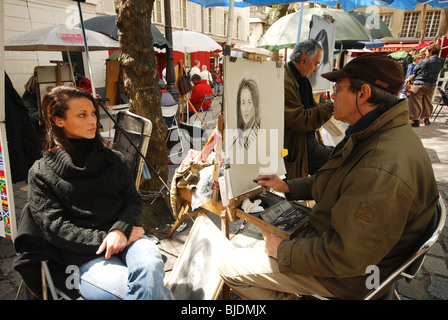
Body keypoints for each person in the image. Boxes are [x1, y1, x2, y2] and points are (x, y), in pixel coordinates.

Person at [219, 53, 439, 300]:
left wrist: (284, 252)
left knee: (229, 267)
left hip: (351, 278)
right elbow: (337, 180)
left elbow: (346, 256)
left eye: (338, 89)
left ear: (363, 94)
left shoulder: (380, 166)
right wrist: (287, 186)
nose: (332, 96)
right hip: (358, 252)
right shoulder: (377, 133)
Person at [24, 86, 171, 300]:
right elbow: (55, 228)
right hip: (84, 256)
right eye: (82, 115)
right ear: (58, 120)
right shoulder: (41, 173)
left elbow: (132, 200)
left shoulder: (113, 159)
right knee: (139, 290)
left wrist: (120, 231)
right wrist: (108, 237)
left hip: (129, 239)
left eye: (93, 113)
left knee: (150, 268)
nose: (93, 120)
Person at [283, 39, 334, 179]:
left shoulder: (302, 80)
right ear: (304, 59)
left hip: (304, 142)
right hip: (297, 146)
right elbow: (300, 119)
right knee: (336, 157)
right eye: (316, 63)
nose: (316, 68)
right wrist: (331, 106)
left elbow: (311, 108)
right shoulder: (286, 81)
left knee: (335, 158)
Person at [407, 43, 443, 127]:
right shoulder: (440, 61)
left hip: (420, 83)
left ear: (431, 51)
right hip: (431, 85)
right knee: (427, 101)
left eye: (427, 51)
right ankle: (426, 118)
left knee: (415, 102)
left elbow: (416, 69)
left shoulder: (426, 61)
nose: (426, 53)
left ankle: (415, 120)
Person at [234, 78, 260, 149]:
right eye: (243, 103)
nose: (246, 109)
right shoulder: (238, 137)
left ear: (255, 104)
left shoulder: (259, 135)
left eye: (249, 102)